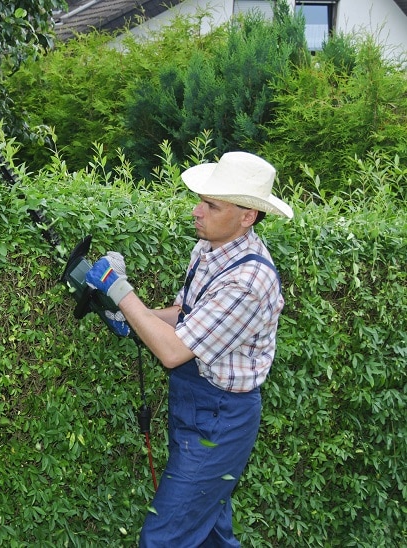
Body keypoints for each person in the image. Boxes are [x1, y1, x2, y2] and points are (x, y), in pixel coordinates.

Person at [85, 151, 293, 547]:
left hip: (221, 419)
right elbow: (184, 316)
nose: (197, 211)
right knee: (211, 529)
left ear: (247, 216)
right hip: (194, 402)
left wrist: (120, 290)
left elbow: (174, 352)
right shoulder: (210, 249)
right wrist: (132, 317)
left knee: (163, 537)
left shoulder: (249, 279)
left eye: (211, 205)